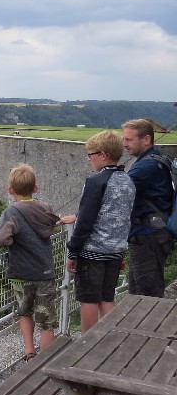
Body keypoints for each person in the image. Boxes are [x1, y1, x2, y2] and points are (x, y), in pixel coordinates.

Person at [62, 130, 135, 333]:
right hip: (116, 251)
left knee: (88, 300)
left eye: (91, 154)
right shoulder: (127, 181)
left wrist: (73, 251)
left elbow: (85, 220)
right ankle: (110, 342)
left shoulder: (95, 182)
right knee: (106, 298)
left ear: (103, 155)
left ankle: (87, 346)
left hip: (92, 252)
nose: (89, 159)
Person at [0, 164, 60, 361]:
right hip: (45, 273)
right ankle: (45, 361)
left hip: (21, 274)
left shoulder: (11, 212)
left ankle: (30, 353)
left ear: (10, 190)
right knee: (46, 321)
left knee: (25, 313)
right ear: (35, 188)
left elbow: (1, 239)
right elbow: (52, 224)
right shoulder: (45, 209)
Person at [123, 119, 175, 297]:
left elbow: (116, 190)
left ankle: (150, 325)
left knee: (147, 293)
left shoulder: (147, 166)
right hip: (151, 233)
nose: (125, 144)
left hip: (148, 235)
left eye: (129, 140)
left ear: (146, 139)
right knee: (137, 290)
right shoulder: (154, 160)